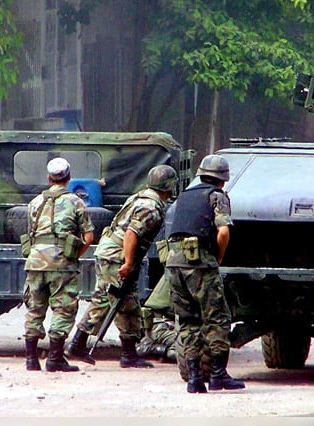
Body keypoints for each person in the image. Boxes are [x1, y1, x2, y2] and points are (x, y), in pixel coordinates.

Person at [68, 164, 178, 368]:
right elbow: (131, 234)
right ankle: (123, 353)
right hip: (117, 256)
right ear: (168, 187)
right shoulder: (150, 207)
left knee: (111, 299)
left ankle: (83, 344)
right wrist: (128, 262)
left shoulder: (141, 197)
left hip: (110, 252)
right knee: (122, 302)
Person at [166, 154, 245, 394]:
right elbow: (223, 232)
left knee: (188, 320)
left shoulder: (185, 195)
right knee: (217, 318)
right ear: (222, 180)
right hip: (199, 264)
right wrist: (218, 257)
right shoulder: (216, 196)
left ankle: (194, 378)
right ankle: (218, 375)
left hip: (174, 263)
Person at [22, 157, 94, 372]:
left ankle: (31, 359)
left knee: (34, 309)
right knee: (63, 310)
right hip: (62, 263)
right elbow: (88, 237)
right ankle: (55, 359)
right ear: (69, 177)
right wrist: (74, 255)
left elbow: (32, 233)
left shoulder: (34, 203)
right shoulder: (76, 202)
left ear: (48, 178)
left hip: (35, 262)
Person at [137, 275, 178, 362]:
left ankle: (152, 346)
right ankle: (155, 348)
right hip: (163, 326)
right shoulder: (185, 273)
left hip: (155, 325)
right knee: (191, 348)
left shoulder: (174, 270)